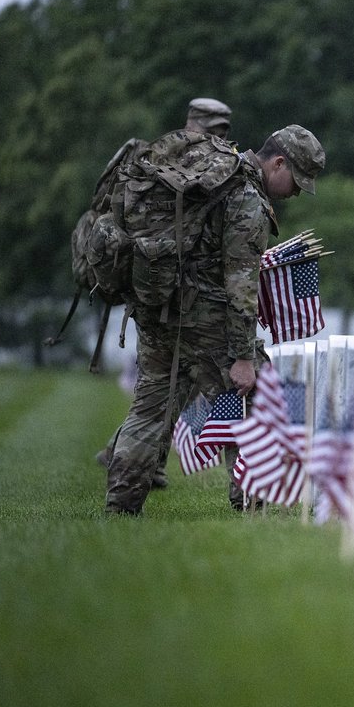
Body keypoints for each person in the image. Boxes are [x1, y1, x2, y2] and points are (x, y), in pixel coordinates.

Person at [104, 124, 325, 515]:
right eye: (296, 180)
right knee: (261, 394)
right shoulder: (247, 201)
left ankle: (120, 507)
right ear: (278, 163)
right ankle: (252, 500)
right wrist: (242, 357)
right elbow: (241, 286)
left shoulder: (212, 176)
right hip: (205, 321)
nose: (294, 192)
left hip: (159, 308)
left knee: (150, 409)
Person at [95, 97, 233, 488]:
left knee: (159, 392)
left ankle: (128, 476)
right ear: (215, 130)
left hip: (147, 291)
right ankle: (249, 491)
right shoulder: (214, 167)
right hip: (194, 302)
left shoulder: (151, 159)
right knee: (216, 387)